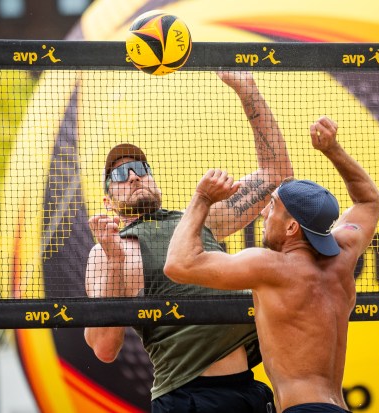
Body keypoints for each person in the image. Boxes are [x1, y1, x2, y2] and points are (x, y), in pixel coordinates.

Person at [84, 71, 294, 412]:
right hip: (187, 396)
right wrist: (115, 258)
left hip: (249, 390)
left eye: (139, 167)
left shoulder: (197, 219)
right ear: (108, 202)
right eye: (119, 175)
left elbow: (277, 176)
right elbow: (104, 348)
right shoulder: (108, 250)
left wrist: (246, 89)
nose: (134, 175)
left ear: (154, 180)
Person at [164, 116, 379, 413]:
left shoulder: (271, 266)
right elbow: (369, 202)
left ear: (292, 227)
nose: (264, 212)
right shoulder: (344, 255)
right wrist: (333, 151)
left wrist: (202, 199)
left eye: (273, 206)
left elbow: (179, 265)